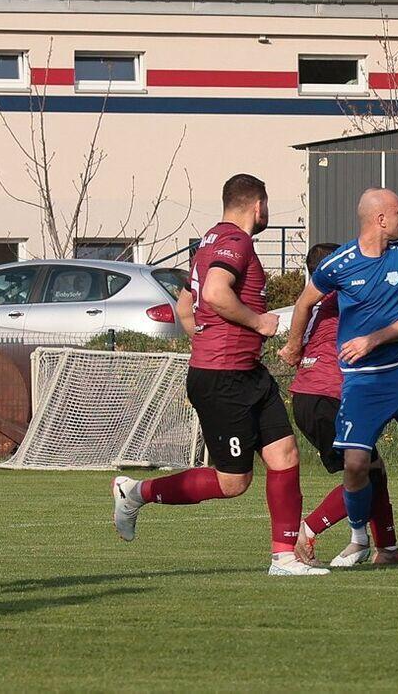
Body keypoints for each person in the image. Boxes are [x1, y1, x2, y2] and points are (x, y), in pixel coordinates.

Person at [111, 174, 327, 576]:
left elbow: (185, 306)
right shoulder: (235, 241)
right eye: (267, 205)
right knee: (233, 483)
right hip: (223, 378)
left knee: (285, 455)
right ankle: (135, 492)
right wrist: (258, 323)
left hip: (247, 373)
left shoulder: (209, 241)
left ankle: (284, 558)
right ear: (258, 206)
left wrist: (206, 338)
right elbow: (213, 292)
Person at [280, 188, 398, 567]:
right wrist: (294, 346)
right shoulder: (338, 265)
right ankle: (357, 540)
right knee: (358, 465)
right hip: (362, 382)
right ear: (380, 219)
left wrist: (373, 339)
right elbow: (303, 302)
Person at [287, 243, 398, 567]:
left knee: (373, 470)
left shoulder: (316, 303)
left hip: (307, 397)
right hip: (330, 397)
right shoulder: (348, 296)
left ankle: (386, 549)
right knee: (362, 473)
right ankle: (306, 531)